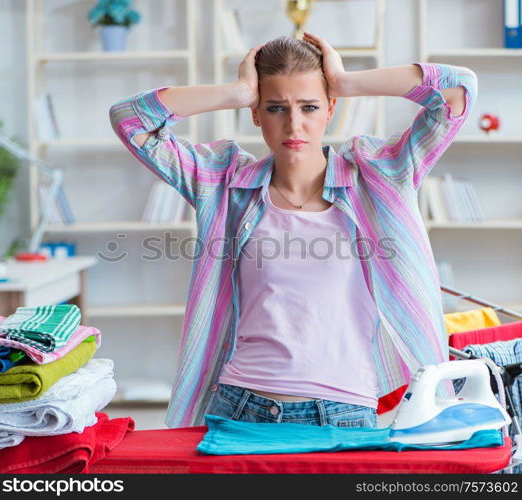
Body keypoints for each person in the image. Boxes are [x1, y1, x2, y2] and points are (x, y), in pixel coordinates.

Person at [109, 32, 478, 429]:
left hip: (344, 413)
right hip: (239, 406)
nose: (294, 124)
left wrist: (346, 81)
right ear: (255, 113)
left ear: (330, 109)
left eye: (309, 106)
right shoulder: (223, 182)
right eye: (275, 107)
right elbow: (129, 119)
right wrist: (235, 92)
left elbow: (457, 90)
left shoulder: (381, 177)